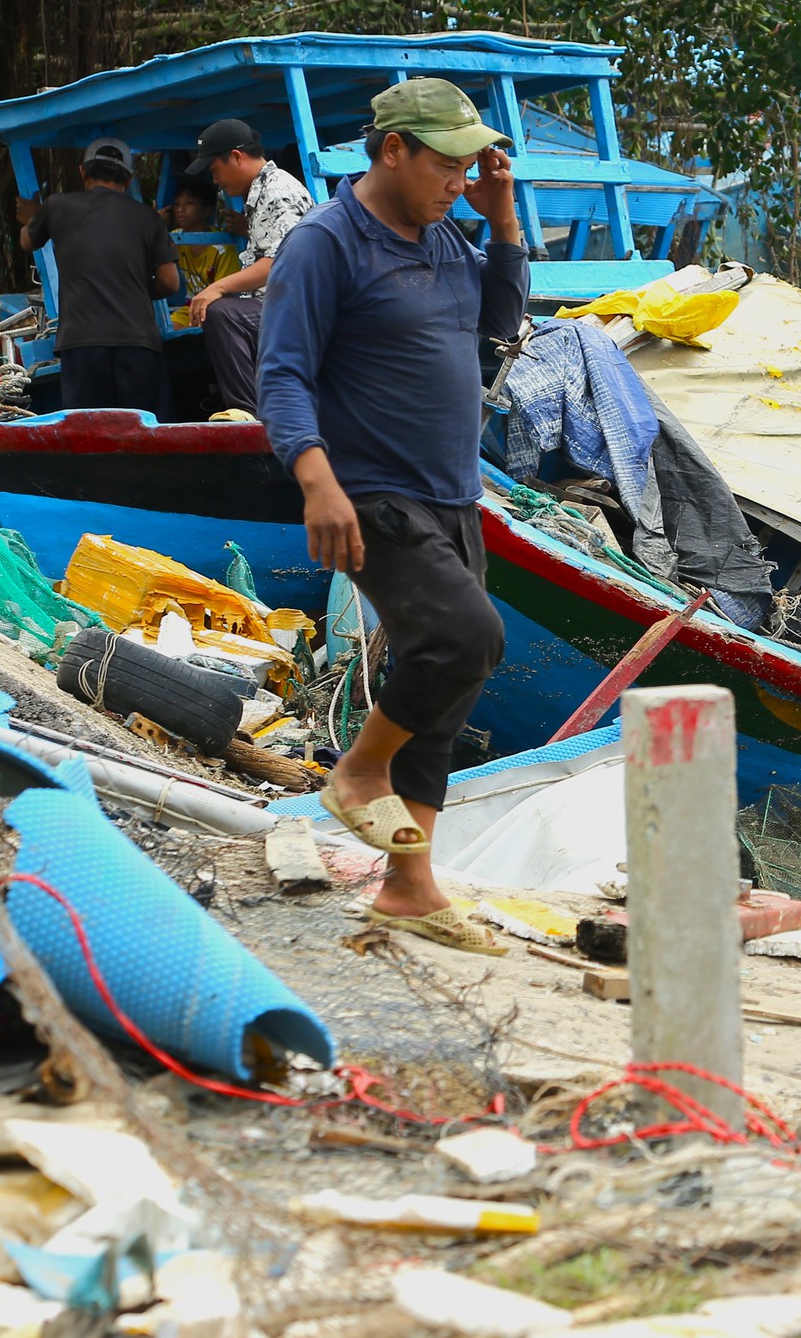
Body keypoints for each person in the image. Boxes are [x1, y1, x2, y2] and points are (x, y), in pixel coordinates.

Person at [260, 79, 526, 953]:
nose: (460, 177)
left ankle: (410, 887)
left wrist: (502, 223)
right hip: (372, 493)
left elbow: (498, 329)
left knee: (443, 689)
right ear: (391, 151)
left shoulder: (449, 237)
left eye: (468, 164)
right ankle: (358, 768)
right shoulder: (324, 244)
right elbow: (283, 374)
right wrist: (315, 479)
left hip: (451, 491)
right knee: (466, 638)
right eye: (446, 163)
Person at [18, 137, 179, 414]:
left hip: (81, 344)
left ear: (82, 172)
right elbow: (170, 282)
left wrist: (31, 218)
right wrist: (137, 288)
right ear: (128, 179)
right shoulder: (148, 218)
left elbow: (27, 241)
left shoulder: (57, 206)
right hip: (137, 343)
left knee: (88, 436)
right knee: (145, 436)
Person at [184, 118, 316, 415]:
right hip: (283, 306)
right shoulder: (261, 192)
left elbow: (280, 263)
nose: (215, 181)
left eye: (215, 171)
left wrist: (216, 288)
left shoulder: (277, 190)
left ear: (236, 157)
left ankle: (248, 413)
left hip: (301, 309)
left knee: (221, 313)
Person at [166, 173, 243, 319]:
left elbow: (226, 294)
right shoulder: (173, 239)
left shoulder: (222, 248)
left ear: (207, 210)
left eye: (189, 203)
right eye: (176, 204)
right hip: (187, 310)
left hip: (215, 310)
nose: (180, 209)